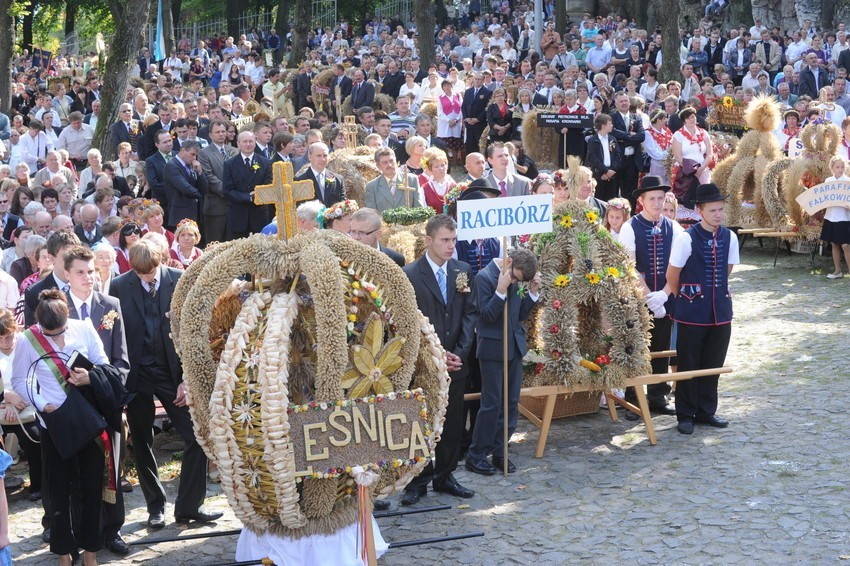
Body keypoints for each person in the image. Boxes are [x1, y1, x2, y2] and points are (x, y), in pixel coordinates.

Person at [110, 239, 223, 527]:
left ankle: (188, 507)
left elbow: (193, 332)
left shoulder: (179, 281)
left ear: (161, 260)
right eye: (139, 274)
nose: (145, 278)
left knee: (197, 437)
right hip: (136, 377)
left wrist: (186, 378)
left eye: (149, 273)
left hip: (171, 374)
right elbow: (115, 333)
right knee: (142, 442)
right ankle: (155, 506)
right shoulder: (120, 285)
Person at [12, 288, 122, 565]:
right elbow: (19, 380)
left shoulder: (83, 329)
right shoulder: (27, 340)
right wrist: (40, 403)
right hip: (54, 425)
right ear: (41, 327)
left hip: (86, 421)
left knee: (90, 489)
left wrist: (89, 378)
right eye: (52, 335)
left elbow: (105, 365)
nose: (59, 338)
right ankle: (64, 552)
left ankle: (91, 552)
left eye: (61, 331)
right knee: (58, 491)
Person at [401, 215, 476, 504]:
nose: (451, 246)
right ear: (429, 240)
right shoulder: (409, 274)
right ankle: (418, 480)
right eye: (445, 240)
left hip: (457, 361)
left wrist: (460, 352)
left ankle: (446, 476)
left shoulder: (463, 270)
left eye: (454, 240)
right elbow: (408, 322)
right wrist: (434, 353)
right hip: (425, 364)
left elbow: (470, 314)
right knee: (420, 421)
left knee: (453, 421)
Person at [63, 245, 131, 556]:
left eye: (91, 272)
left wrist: (99, 381)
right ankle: (79, 534)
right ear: (67, 274)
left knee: (111, 471)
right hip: (71, 406)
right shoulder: (56, 307)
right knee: (77, 475)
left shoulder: (111, 305)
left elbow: (121, 361)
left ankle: (112, 530)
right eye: (80, 272)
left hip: (105, 402)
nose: (88, 278)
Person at [665, 183, 739, 434]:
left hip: (720, 311)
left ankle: (707, 411)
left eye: (721, 209)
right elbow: (672, 275)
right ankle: (685, 414)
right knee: (688, 364)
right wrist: (688, 297)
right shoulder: (686, 237)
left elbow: (727, 271)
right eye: (713, 210)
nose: (718, 214)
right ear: (700, 210)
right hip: (691, 312)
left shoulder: (730, 237)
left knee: (713, 363)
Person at [465, 249, 540, 476]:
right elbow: (485, 317)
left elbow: (517, 315)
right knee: (492, 403)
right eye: (516, 277)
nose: (516, 282)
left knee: (511, 401)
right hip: (492, 348)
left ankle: (500, 451)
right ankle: (476, 454)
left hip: (513, 347)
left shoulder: (515, 277)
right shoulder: (484, 278)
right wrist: (500, 290)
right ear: (508, 263)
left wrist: (533, 295)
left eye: (520, 280)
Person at [619, 175, 683, 419]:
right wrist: (648, 296)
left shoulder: (674, 227)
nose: (657, 203)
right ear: (642, 201)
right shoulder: (630, 227)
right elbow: (629, 266)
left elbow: (677, 265)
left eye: (661, 198)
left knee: (662, 345)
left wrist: (665, 295)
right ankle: (633, 398)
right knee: (635, 346)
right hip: (638, 298)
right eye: (652, 199)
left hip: (666, 297)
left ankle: (658, 395)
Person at [222, 131, 273, 239]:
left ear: (255, 143)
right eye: (245, 141)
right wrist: (248, 197)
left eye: (251, 141)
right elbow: (227, 190)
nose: (248, 144)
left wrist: (258, 195)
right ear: (238, 144)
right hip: (238, 216)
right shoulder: (229, 164)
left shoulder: (265, 163)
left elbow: (268, 185)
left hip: (259, 216)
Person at [671, 107, 712, 207]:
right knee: (686, 199)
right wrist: (691, 170)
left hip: (702, 169)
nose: (691, 120)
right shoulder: (678, 134)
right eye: (688, 118)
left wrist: (701, 168)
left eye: (693, 117)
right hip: (685, 171)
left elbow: (710, 154)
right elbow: (677, 156)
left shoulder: (704, 133)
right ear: (684, 121)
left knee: (703, 200)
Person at [164, 140, 208, 228]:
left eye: (196, 155)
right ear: (183, 151)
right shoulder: (172, 166)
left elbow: (205, 189)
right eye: (192, 154)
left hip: (195, 213)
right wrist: (200, 195)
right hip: (180, 214)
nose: (195, 158)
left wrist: (199, 172)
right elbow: (185, 188)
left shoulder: (192, 165)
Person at [365, 147, 422, 211]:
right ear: (378, 166)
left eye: (391, 161)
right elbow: (371, 213)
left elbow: (418, 208)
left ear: (396, 161)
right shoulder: (372, 186)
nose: (389, 165)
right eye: (384, 162)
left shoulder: (412, 180)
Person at [821, 156, 850, 279]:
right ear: (832, 168)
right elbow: (822, 198)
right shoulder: (828, 181)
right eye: (837, 167)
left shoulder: (848, 182)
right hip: (831, 216)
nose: (840, 169)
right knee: (834, 244)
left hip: (844, 217)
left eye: (842, 167)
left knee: (845, 245)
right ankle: (838, 271)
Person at [294, 142, 344, 208]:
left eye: (325, 155)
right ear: (309, 157)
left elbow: (342, 205)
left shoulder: (338, 179)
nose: (322, 159)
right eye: (318, 156)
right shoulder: (300, 180)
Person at [586, 113, 622, 201]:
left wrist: (612, 170)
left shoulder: (612, 139)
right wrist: (605, 171)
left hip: (612, 175)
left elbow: (618, 156)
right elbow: (593, 158)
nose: (612, 125)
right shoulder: (593, 140)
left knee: (611, 199)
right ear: (603, 126)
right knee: (599, 199)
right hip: (600, 175)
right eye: (610, 124)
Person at [419, 147, 456, 213]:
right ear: (430, 169)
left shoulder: (454, 186)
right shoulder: (424, 189)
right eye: (436, 166)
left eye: (443, 165)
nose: (441, 168)